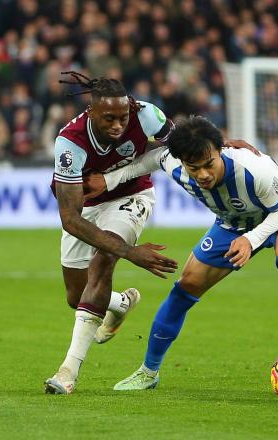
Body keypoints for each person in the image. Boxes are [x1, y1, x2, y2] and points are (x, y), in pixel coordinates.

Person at [84, 116, 278, 391]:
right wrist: (108, 180)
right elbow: (149, 161)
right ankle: (148, 372)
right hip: (233, 223)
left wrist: (250, 240)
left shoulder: (252, 168)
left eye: (209, 164)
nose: (203, 174)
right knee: (184, 289)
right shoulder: (174, 162)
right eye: (194, 168)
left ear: (220, 151)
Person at [43, 72, 179, 395]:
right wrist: (132, 253)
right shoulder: (69, 143)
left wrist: (225, 146)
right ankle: (120, 303)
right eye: (109, 119)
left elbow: (176, 148)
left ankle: (67, 372)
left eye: (123, 117)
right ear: (91, 113)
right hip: (85, 211)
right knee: (77, 297)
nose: (118, 125)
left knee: (103, 261)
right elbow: (70, 219)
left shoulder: (147, 115)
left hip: (132, 198)